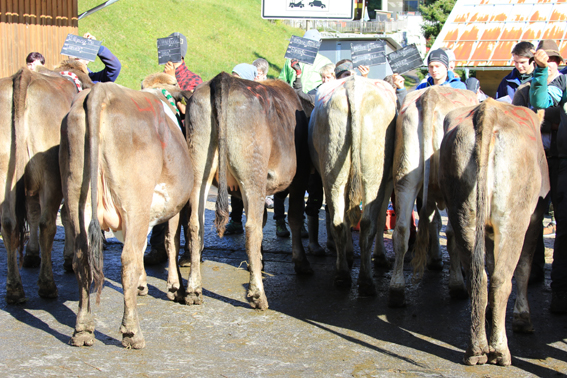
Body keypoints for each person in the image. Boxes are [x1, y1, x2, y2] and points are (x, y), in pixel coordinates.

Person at [146, 33, 204, 266]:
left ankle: (192, 250)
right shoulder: (155, 78)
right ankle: (158, 248)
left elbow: (192, 110)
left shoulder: (193, 79)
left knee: (189, 201)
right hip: (162, 143)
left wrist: (174, 84)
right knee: (161, 196)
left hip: (185, 143)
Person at [529, 39, 567, 313]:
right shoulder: (563, 83)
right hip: (562, 163)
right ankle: (561, 293)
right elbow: (540, 100)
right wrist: (540, 72)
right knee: (564, 231)